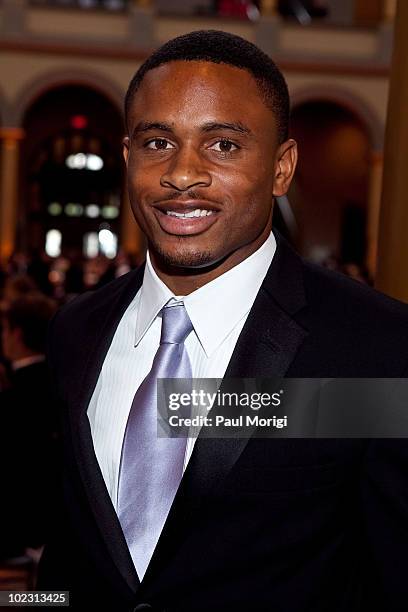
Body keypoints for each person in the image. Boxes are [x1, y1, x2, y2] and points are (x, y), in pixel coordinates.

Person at [37, 30, 408, 611]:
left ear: (282, 167)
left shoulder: (378, 348)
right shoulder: (76, 330)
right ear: (129, 156)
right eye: (158, 142)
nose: (182, 173)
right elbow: (68, 550)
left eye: (224, 146)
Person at [0, 293, 59, 559]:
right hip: (52, 520)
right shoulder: (64, 385)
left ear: (17, 334)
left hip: (18, 525)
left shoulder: (14, 397)